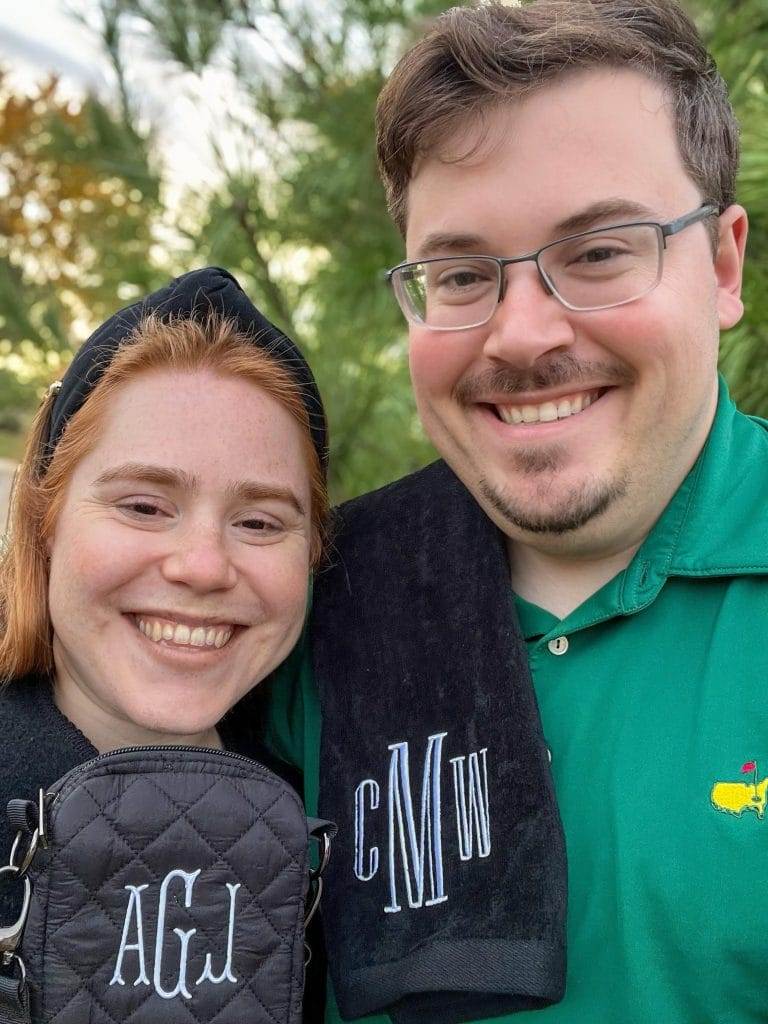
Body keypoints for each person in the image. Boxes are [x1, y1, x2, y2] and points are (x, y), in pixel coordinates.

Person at [263, 1, 764, 1022]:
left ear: (722, 265)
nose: (522, 333)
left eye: (599, 252)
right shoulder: (299, 611)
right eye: (459, 274)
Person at [0, 267, 329, 931]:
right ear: (46, 520)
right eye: (145, 507)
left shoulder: (342, 838)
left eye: (260, 522)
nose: (204, 567)